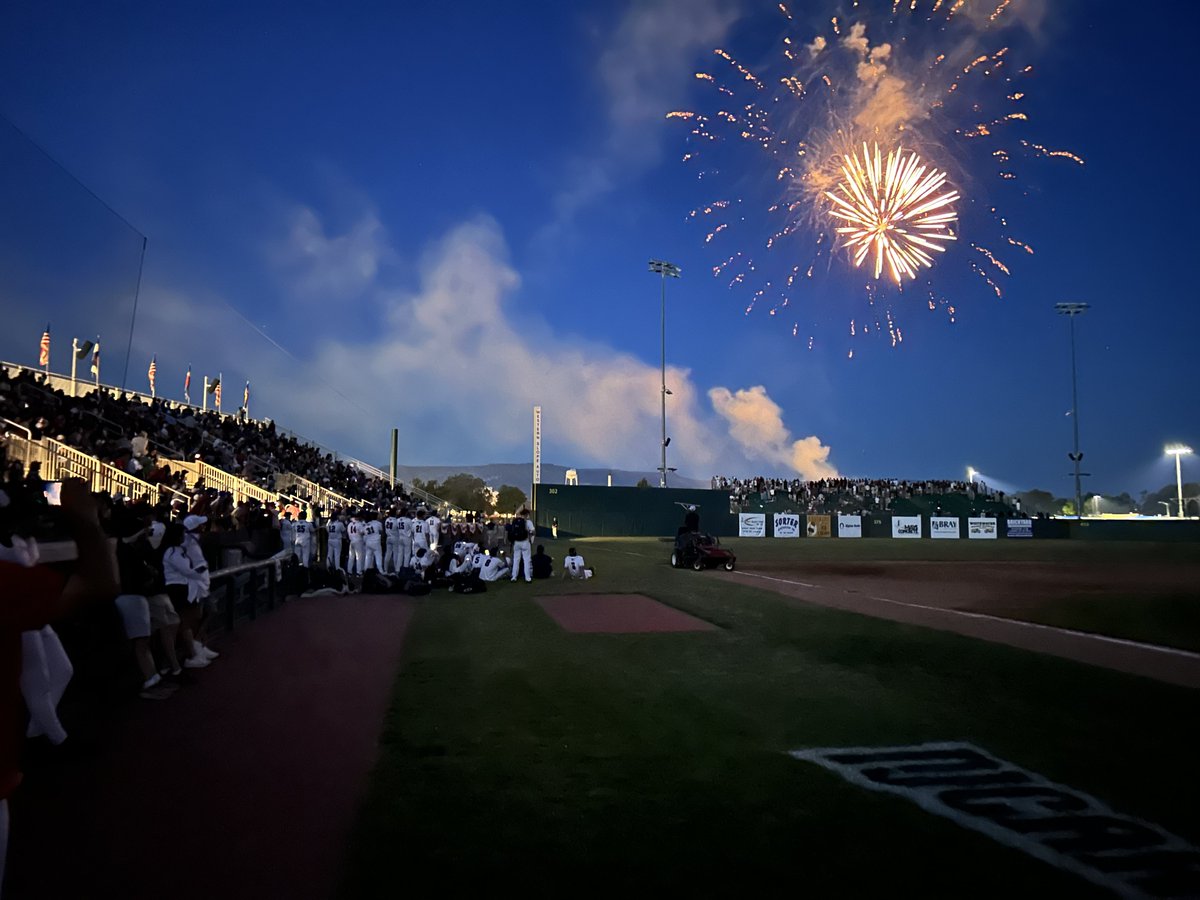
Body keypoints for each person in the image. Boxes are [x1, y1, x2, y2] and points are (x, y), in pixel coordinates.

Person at [2, 479, 118, 891]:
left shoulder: (18, 538)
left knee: (57, 670)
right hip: (18, 608)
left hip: (24, 607)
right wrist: (85, 521)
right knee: (37, 674)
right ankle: (53, 738)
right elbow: (101, 583)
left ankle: (40, 734)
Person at [509, 509, 533, 583]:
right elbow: (533, 531)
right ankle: (527, 577)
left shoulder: (516, 521)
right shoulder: (528, 522)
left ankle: (514, 577)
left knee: (516, 560)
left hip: (516, 542)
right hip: (525, 542)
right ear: (527, 514)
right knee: (526, 560)